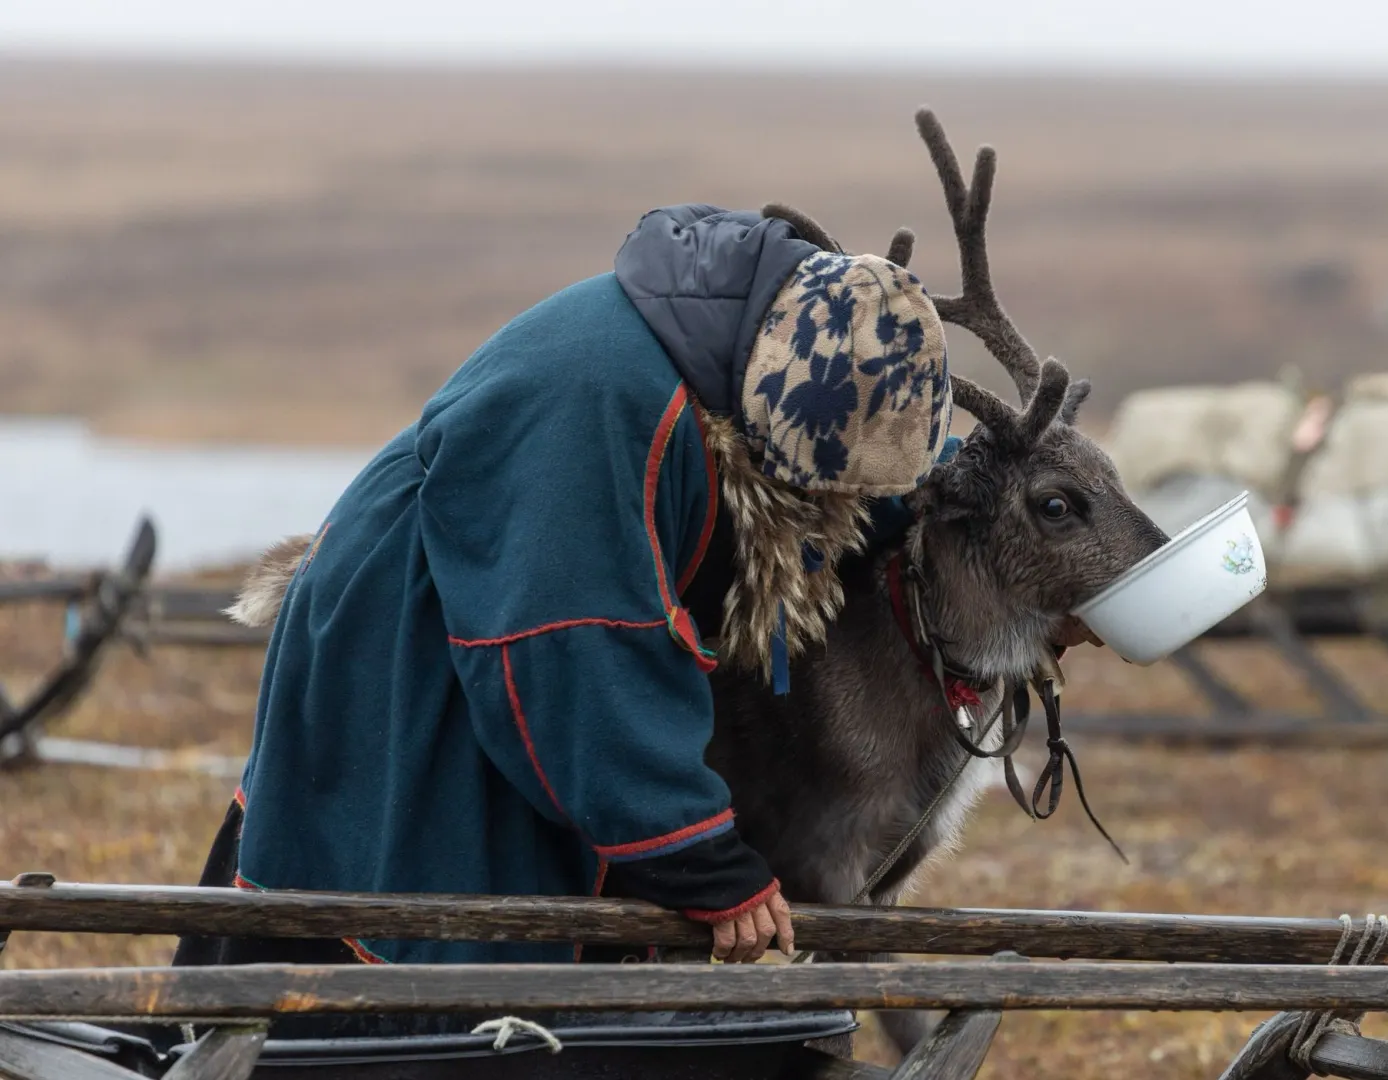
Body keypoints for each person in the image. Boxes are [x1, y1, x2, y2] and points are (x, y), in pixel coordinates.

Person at [173, 204, 955, 973]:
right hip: (410, 646)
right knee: (418, 911)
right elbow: (576, 652)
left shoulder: (750, 353)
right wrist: (701, 861)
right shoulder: (604, 403)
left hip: (489, 620)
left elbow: (850, 488)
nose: (833, 502)